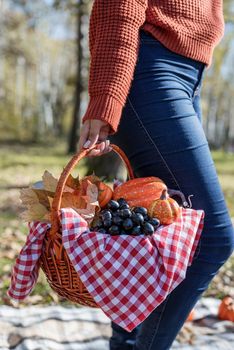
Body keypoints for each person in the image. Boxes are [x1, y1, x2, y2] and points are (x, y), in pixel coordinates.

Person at [77, 1, 234, 349]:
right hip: (147, 68)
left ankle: (125, 343)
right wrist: (106, 95)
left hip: (187, 73)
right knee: (212, 236)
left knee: (157, 229)